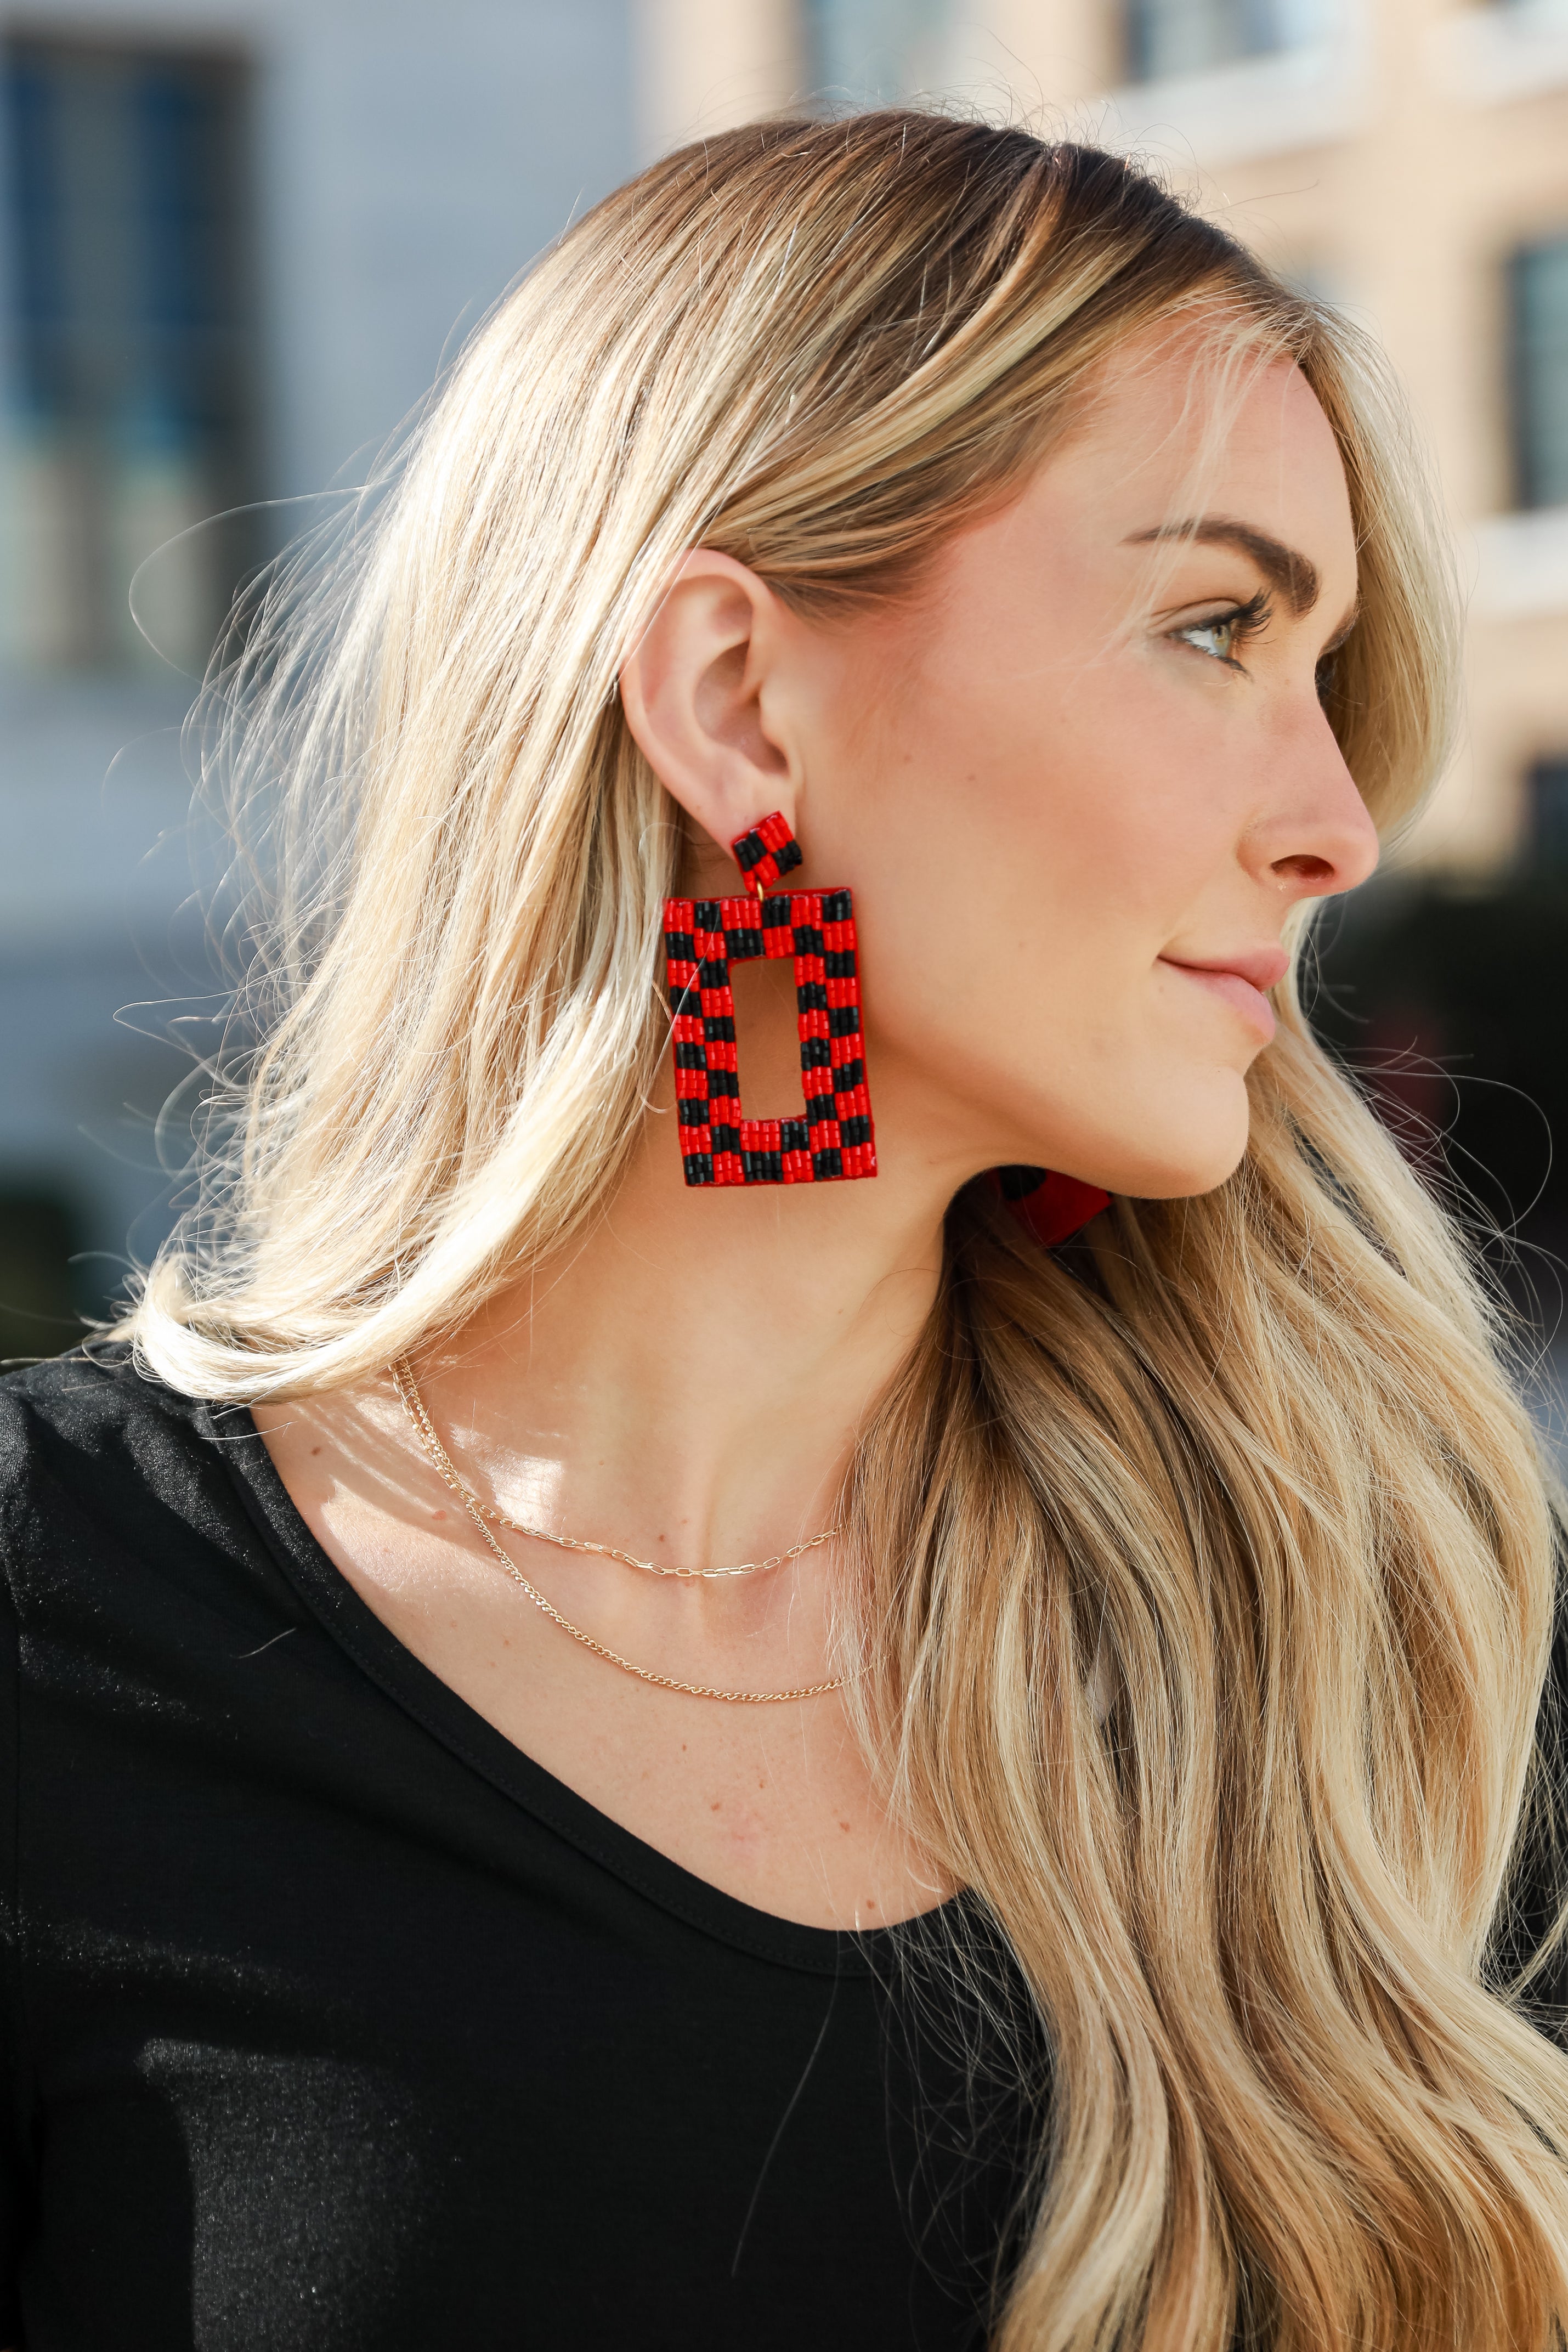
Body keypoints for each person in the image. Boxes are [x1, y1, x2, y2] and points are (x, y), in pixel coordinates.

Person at [2, 109, 1565, 2352]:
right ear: (740, 700)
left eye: (1323, 670)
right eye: (1216, 624)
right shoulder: (60, 1628)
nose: (1332, 823)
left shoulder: (1393, 1638)